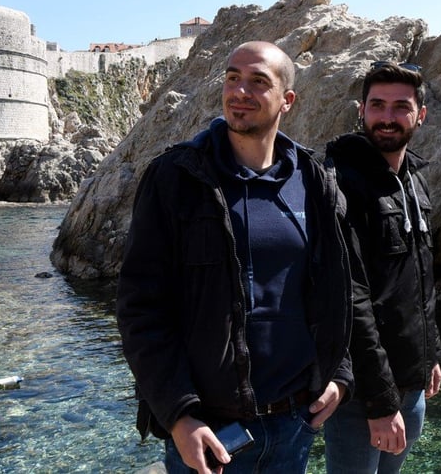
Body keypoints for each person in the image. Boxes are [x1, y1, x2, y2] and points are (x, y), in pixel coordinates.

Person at [116, 41, 355, 474]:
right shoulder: (176, 177)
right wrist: (178, 414)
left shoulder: (314, 181)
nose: (239, 91)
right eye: (232, 78)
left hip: (294, 423)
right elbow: (139, 308)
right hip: (210, 432)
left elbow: (338, 288)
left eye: (258, 81)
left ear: (288, 100)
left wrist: (340, 373)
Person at [323, 61, 441, 473]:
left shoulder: (415, 180)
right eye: (377, 105)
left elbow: (419, 278)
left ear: (420, 115)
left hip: (412, 383)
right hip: (365, 395)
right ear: (362, 110)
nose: (387, 118)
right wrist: (380, 401)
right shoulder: (341, 184)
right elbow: (351, 298)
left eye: (401, 107)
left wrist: (431, 355)